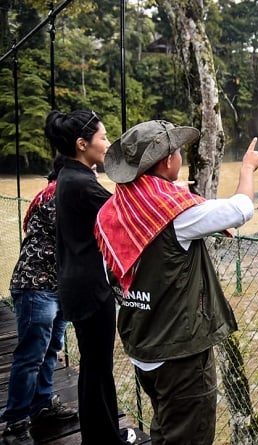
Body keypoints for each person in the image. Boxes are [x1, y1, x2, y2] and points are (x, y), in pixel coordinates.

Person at [94, 120, 258, 444]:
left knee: (166, 425)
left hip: (142, 345)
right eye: (177, 151)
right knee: (189, 435)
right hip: (179, 353)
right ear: (166, 160)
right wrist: (246, 168)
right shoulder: (175, 213)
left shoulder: (112, 210)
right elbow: (241, 209)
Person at [47, 110, 136, 444]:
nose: (107, 143)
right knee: (98, 370)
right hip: (90, 289)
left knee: (94, 368)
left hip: (76, 285)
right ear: (82, 144)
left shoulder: (69, 177)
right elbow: (124, 215)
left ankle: (100, 437)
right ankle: (106, 440)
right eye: (102, 137)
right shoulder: (82, 183)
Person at [2, 156, 78, 445]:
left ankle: (41, 405)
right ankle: (15, 424)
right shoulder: (59, 195)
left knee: (49, 350)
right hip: (36, 287)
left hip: (53, 285)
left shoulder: (47, 194)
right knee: (31, 355)